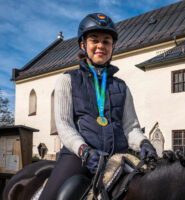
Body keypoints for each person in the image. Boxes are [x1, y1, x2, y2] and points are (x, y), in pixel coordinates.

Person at [39, 13, 157, 200]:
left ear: (112, 47)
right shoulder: (67, 80)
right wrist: (83, 151)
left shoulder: (121, 87)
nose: (101, 46)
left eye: (106, 41)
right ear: (83, 45)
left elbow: (131, 128)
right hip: (79, 158)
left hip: (117, 158)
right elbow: (64, 125)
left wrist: (144, 143)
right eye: (94, 40)